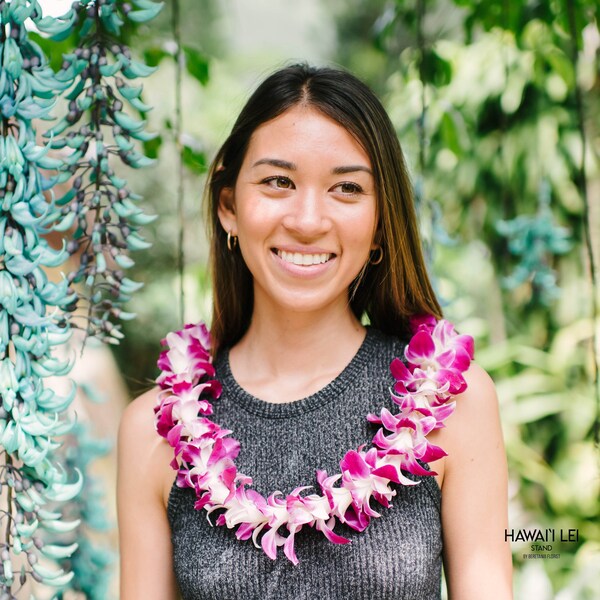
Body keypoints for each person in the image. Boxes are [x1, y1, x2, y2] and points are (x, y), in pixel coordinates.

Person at [117, 64, 512, 599]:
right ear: (229, 206)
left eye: (346, 188)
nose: (307, 219)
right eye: (278, 181)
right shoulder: (154, 429)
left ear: (379, 226)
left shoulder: (453, 407)